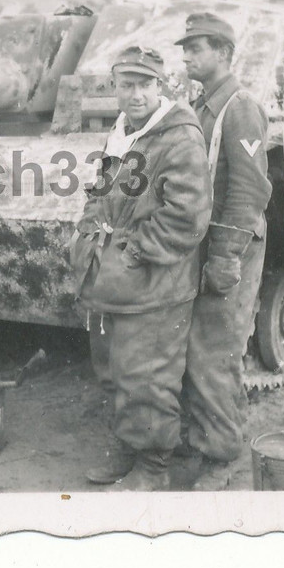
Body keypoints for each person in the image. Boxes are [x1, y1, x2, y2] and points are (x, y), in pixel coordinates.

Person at [72, 46, 212, 490]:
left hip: (155, 280)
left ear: (161, 86)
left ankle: (154, 465)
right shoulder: (122, 132)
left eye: (145, 85)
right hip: (113, 275)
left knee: (148, 374)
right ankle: (129, 446)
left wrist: (134, 252)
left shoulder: (177, 137)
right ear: (114, 86)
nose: (135, 94)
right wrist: (88, 230)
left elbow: (187, 215)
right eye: (126, 84)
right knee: (114, 368)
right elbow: (99, 190)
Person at [175, 12, 273, 488]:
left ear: (224, 53)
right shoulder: (202, 104)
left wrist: (226, 254)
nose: (187, 55)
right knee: (201, 344)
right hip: (204, 240)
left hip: (226, 242)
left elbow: (250, 190)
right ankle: (206, 435)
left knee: (215, 348)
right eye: (186, 48)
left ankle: (222, 453)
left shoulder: (239, 107)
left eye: (196, 48)